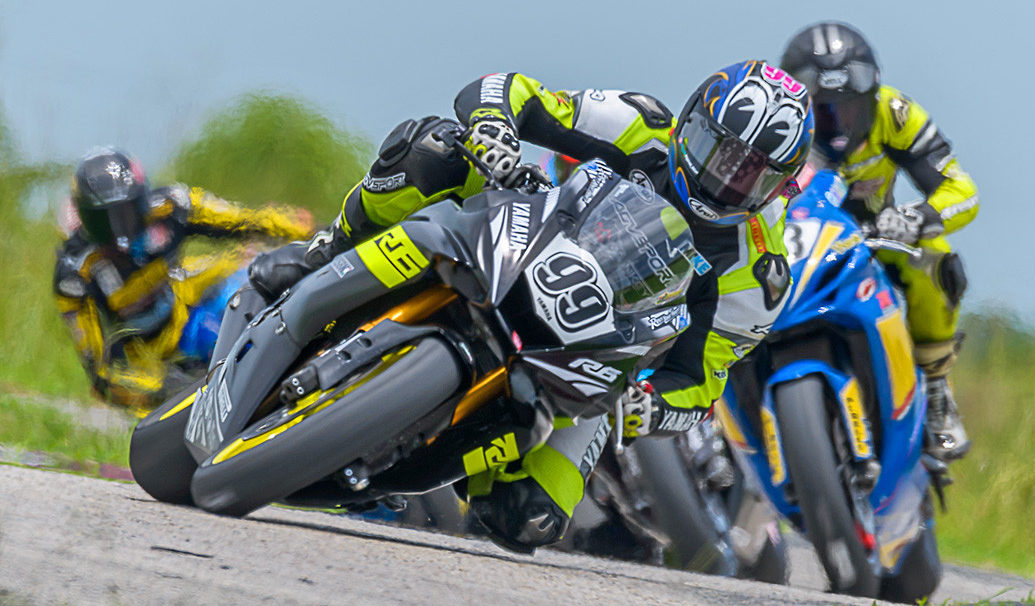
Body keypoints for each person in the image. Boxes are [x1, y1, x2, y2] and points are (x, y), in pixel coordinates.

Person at [249, 60, 813, 552]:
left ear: (781, 187)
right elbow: (508, 89)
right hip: (528, 237)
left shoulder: (756, 271)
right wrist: (494, 128)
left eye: (748, 173)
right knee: (435, 150)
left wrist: (652, 408)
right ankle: (328, 251)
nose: (721, 175)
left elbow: (699, 380)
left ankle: (391, 470)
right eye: (714, 147)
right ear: (689, 119)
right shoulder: (642, 124)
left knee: (528, 518)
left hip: (597, 358)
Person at [780, 22, 978, 461]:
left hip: (873, 241)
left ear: (871, 97)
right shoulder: (775, 128)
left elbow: (962, 189)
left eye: (848, 109)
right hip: (790, 251)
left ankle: (936, 384)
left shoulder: (897, 114)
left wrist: (916, 218)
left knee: (936, 262)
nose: (838, 124)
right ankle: (710, 415)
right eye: (824, 111)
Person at [53, 147, 315, 411]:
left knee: (256, 263)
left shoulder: (172, 205)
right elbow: (101, 375)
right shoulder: (73, 275)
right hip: (152, 365)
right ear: (84, 218)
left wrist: (317, 234)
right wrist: (170, 390)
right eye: (103, 220)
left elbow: (247, 220)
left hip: (188, 309)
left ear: (142, 198)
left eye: (127, 213)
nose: (119, 234)